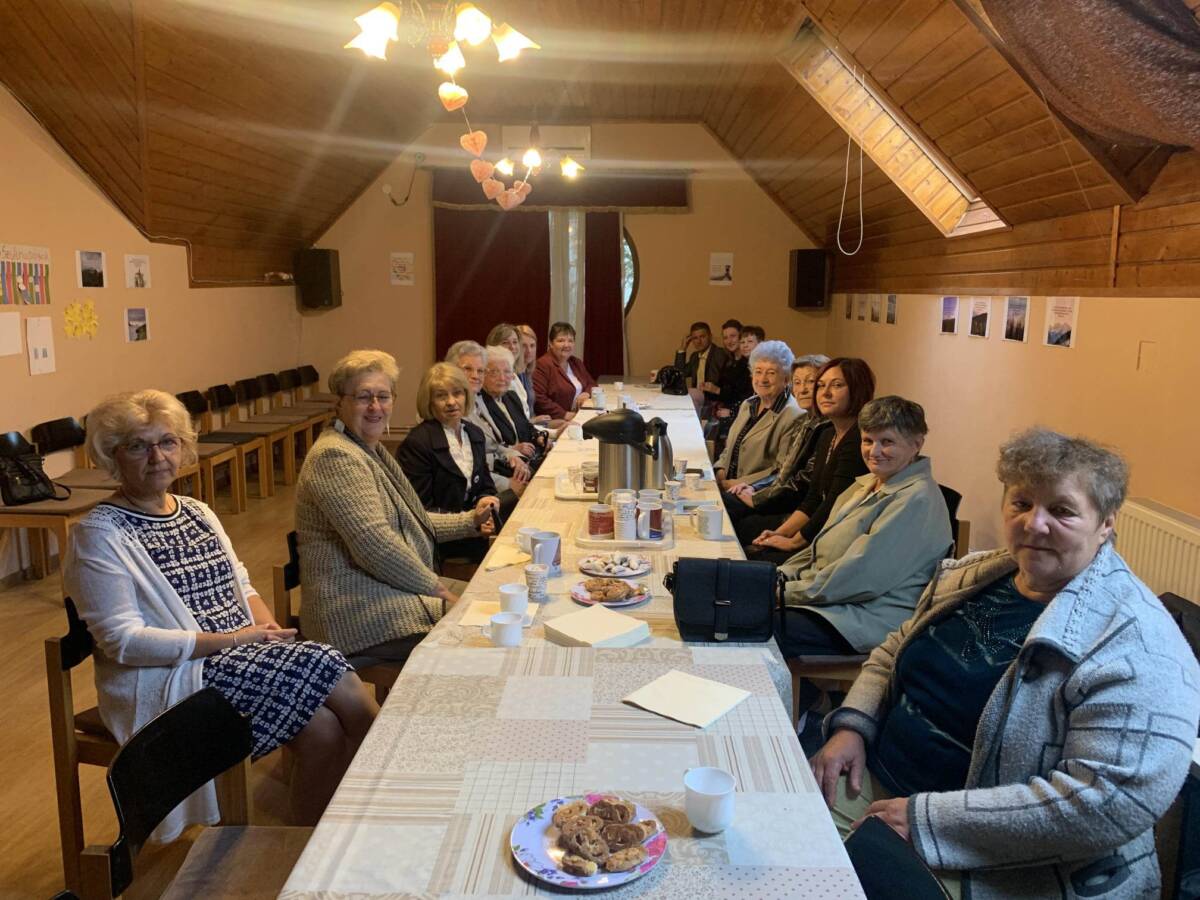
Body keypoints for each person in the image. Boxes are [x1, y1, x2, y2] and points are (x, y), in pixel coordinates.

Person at [810, 429, 1200, 899]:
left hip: (994, 857)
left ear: (1106, 524)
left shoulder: (1140, 646)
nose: (1035, 524)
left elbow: (1105, 802)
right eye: (1022, 503)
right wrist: (853, 726)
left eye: (1062, 510)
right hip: (875, 778)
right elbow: (894, 649)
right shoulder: (972, 576)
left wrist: (929, 821)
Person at [65, 389, 377, 832]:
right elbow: (124, 642)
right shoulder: (99, 534)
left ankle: (310, 844)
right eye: (138, 446)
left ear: (183, 447)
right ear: (111, 455)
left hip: (238, 657)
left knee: (322, 728)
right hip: (174, 678)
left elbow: (241, 585)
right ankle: (391, 787)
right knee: (324, 660)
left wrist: (264, 625)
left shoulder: (197, 511)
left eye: (167, 442)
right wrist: (234, 640)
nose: (157, 457)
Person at [295, 350, 497, 664]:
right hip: (350, 611)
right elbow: (376, 546)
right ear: (340, 402)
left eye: (383, 396)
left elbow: (409, 519)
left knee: (492, 601)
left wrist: (470, 521)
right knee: (481, 632)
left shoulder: (367, 448)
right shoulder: (335, 456)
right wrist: (436, 588)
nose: (376, 407)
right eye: (364, 397)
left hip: (383, 587)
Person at [774, 396, 951, 663]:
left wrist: (783, 594)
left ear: (916, 444)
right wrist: (778, 577)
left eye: (887, 442)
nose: (874, 451)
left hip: (868, 617)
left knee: (753, 622)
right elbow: (816, 549)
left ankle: (798, 690)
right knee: (741, 601)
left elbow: (861, 577)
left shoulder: (917, 500)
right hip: (834, 600)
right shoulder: (868, 483)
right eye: (867, 440)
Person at [748, 357, 874, 563]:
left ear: (858, 389)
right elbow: (814, 497)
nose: (825, 393)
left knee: (756, 559)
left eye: (837, 385)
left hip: (839, 539)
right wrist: (780, 533)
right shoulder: (827, 433)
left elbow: (834, 504)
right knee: (757, 547)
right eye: (821, 385)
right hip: (819, 528)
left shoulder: (859, 439)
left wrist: (794, 542)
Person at [397, 363, 513, 559]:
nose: (451, 402)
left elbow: (485, 486)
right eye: (441, 396)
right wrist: (472, 523)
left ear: (466, 396)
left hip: (475, 532)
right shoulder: (418, 443)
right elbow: (418, 510)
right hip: (441, 542)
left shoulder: (474, 434)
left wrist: (485, 506)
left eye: (457, 393)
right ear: (429, 401)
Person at [726, 353, 829, 529]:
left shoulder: (819, 425)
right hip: (773, 493)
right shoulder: (807, 420)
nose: (802, 389)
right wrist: (753, 487)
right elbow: (784, 473)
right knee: (720, 504)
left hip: (792, 507)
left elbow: (798, 482)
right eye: (798, 382)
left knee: (732, 518)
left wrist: (757, 497)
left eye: (810, 382)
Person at [713, 340, 802, 493]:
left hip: (753, 492)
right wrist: (720, 470)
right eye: (758, 371)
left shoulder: (793, 415)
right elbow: (731, 447)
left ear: (786, 379)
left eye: (771, 373)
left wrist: (736, 484)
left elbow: (780, 470)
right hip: (726, 484)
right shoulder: (748, 404)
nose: (762, 379)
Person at [446, 339, 531, 493]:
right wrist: (508, 484)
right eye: (467, 369)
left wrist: (511, 455)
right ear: (451, 371)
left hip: (494, 474)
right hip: (475, 489)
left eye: (480, 371)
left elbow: (493, 446)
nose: (475, 376)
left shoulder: (477, 400)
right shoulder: (449, 410)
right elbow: (464, 464)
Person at [532, 321, 599, 420]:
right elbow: (538, 398)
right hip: (555, 421)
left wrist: (586, 393)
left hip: (579, 415)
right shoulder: (542, 364)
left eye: (570, 341)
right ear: (551, 344)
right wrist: (564, 414)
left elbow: (592, 383)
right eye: (561, 341)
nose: (566, 345)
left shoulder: (576, 362)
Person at [707, 325, 764, 427]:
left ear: (760, 344)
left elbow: (756, 399)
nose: (745, 345)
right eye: (742, 342)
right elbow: (736, 393)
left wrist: (733, 412)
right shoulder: (741, 363)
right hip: (738, 409)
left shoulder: (762, 367)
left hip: (752, 417)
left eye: (750, 342)